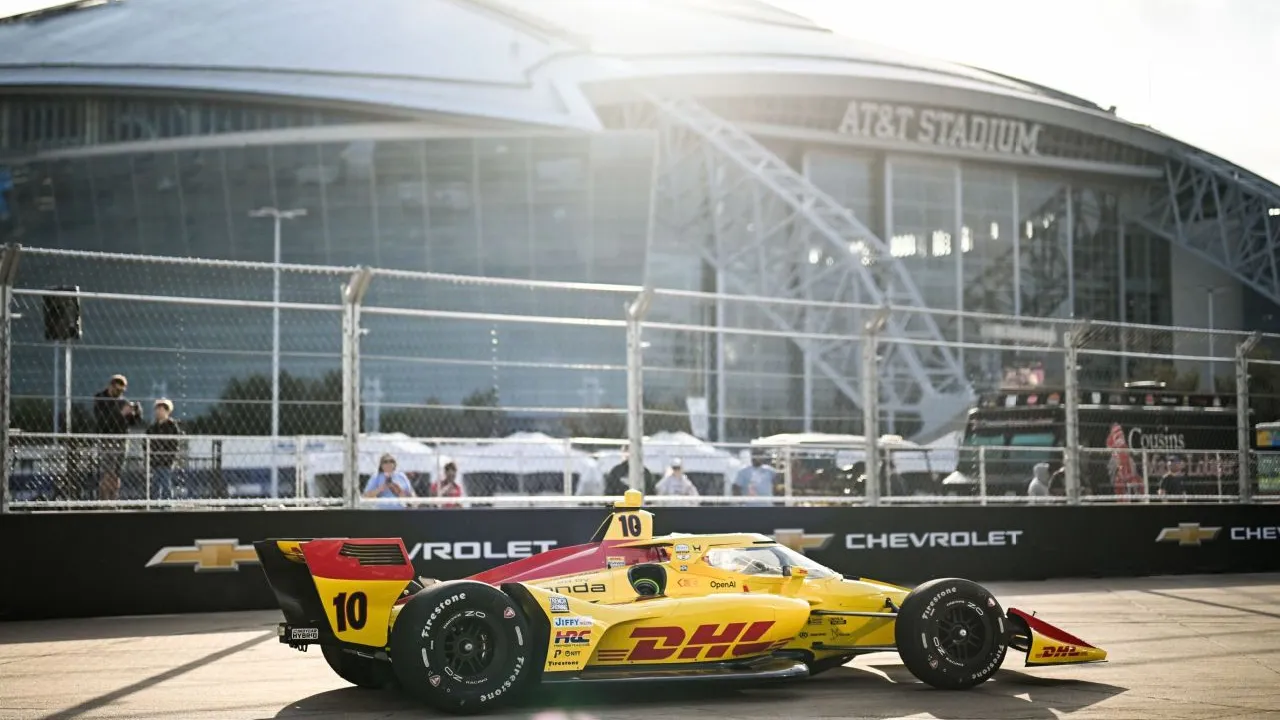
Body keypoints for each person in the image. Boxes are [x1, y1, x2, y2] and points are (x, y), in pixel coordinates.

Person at [93, 374, 141, 500]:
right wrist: (121, 413)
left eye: (121, 391)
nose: (119, 393)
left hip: (122, 439)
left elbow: (131, 423)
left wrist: (135, 414)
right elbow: (102, 421)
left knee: (116, 474)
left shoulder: (123, 401)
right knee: (107, 473)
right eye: (117, 390)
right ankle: (103, 501)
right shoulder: (101, 398)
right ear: (110, 386)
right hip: (107, 438)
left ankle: (114, 500)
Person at [145, 398, 184, 500]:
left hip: (166, 459)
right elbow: (146, 442)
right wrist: (148, 455)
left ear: (167, 411)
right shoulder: (152, 427)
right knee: (154, 483)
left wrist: (170, 456)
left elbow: (174, 443)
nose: (158, 412)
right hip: (154, 460)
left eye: (161, 409)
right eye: (157, 409)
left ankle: (167, 504)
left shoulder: (172, 426)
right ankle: (154, 504)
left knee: (165, 481)